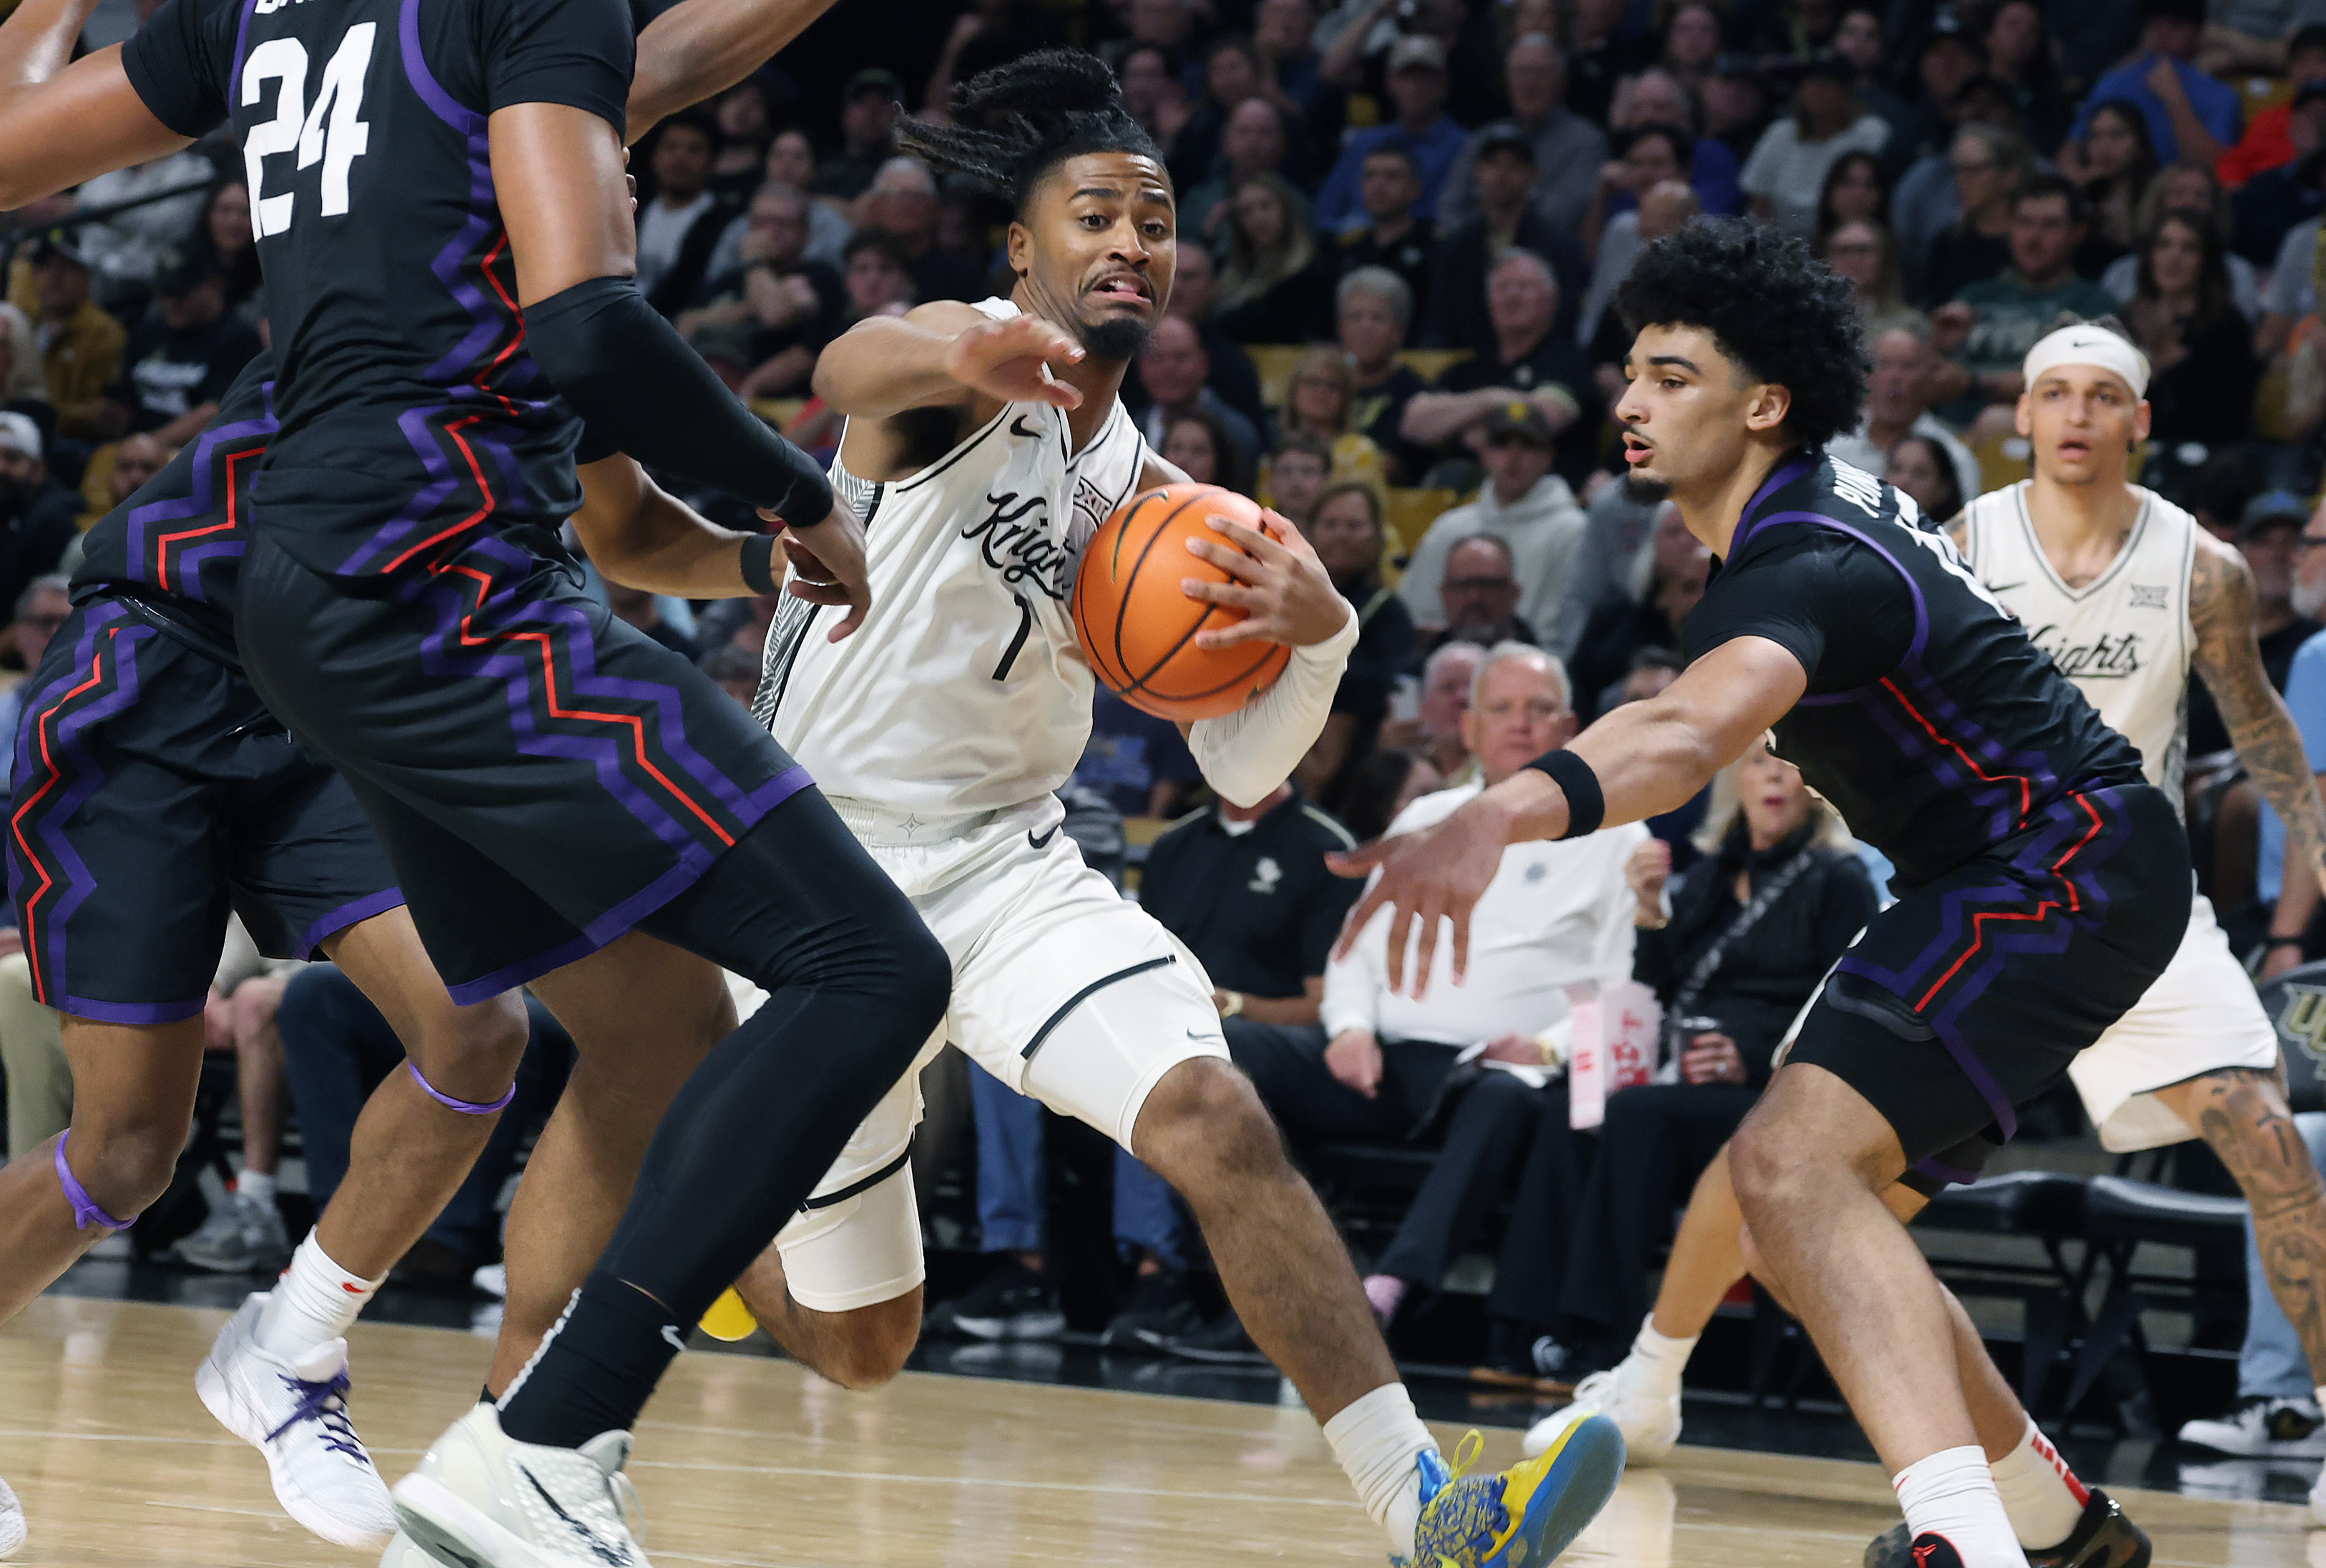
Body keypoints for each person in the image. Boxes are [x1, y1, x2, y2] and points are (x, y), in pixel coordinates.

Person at [0, 6, 977, 1568]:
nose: (622, 171)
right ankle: (540, 1446)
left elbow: (627, 506)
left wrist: (761, 555)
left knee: (582, 1025)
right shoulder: (497, 108)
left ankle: (415, 1392)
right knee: (128, 1145)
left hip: (333, 637)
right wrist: (797, 486)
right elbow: (607, 259)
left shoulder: (347, 60)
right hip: (311, 619)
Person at [747, 50, 1618, 1568]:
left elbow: (1234, 771)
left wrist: (1324, 623)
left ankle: (1433, 1514)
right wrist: (965, 353)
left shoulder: (1161, 497)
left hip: (1014, 871)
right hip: (819, 884)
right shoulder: (957, 365)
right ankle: (699, 1202)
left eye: (1155, 220)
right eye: (1095, 214)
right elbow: (845, 370)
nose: (1133, 241)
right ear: (1024, 247)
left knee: (1215, 1114)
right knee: (868, 1343)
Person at [1335, 226, 2192, 1568]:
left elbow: (1685, 739)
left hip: (2054, 857)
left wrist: (1496, 812)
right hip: (2030, 868)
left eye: (1670, 376)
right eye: (1628, 373)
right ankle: (2055, 1524)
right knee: (1811, 1216)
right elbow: (1668, 715)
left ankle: (1957, 1544)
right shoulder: (1797, 527)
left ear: (1763, 403)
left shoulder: (1802, 558)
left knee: (1791, 1166)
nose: (1628, 400)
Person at [1565, 318, 2326, 1567]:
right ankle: (1664, 1379)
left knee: (2263, 1134)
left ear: (2137, 420)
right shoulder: (1952, 537)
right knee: (1809, 1191)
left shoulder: (2203, 565)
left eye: (2100, 396)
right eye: (2050, 393)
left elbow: (2257, 730)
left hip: (2116, 870)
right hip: (1967, 888)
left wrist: (2303, 887)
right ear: (2017, 415)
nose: (2074, 415)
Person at [1246, 645, 1643, 1364]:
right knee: (1228, 1053)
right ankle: (1283, 1265)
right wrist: (1351, 1029)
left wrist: (1550, 1048)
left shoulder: (1618, 835)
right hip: (1382, 1060)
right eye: (1502, 708)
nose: (1520, 725)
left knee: (1506, 1096)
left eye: (1539, 709)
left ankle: (1391, 1286)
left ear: (1573, 725)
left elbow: (1626, 990)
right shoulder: (1429, 813)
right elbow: (1353, 950)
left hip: (1493, 1074)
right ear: (1469, 726)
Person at [1492, 750, 1873, 1376]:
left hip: (1773, 1091)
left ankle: (1600, 1342)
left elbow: (1841, 1008)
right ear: (1737, 781)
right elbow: (1658, 992)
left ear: (1817, 786)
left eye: (1790, 765)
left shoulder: (1841, 880)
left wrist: (1751, 1059)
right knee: (1570, 1102)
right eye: (1758, 763)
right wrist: (1648, 911)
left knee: (1640, 1114)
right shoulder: (1710, 873)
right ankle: (1519, 1329)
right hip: (1682, 1072)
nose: (1775, 776)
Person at [1928, 174, 2119, 416]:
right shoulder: (1974, 296)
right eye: (2024, 223)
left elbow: (2071, 384)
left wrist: (1974, 383)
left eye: (2050, 225)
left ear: (2078, 233)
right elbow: (1924, 377)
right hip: (1947, 434)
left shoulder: (2093, 304)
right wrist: (1937, 346)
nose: (2033, 237)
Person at [1407, 250, 1600, 488]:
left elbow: (1542, 420)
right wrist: (1491, 400)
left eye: (1524, 287)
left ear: (1550, 299)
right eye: (1502, 288)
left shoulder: (1568, 363)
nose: (1512, 297)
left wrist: (1458, 426)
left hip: (1542, 501)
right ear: (1488, 302)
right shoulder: (1469, 367)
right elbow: (1414, 423)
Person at [1400, 401, 1586, 644]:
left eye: (1527, 445)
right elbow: (1418, 615)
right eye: (1502, 444)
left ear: (1548, 457)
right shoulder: (1450, 528)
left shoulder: (1573, 531)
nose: (1513, 457)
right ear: (1484, 454)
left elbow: (1562, 630)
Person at [1420, 130, 1584, 362]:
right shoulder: (1456, 247)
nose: (1502, 175)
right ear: (1478, 171)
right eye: (1493, 164)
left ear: (1533, 175)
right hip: (1468, 367)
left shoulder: (1559, 247)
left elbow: (1564, 319)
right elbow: (1439, 319)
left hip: (1537, 363)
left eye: (1514, 165)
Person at [1436, 36, 1608, 240]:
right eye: (1520, 73)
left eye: (1540, 73)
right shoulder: (1485, 137)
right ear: (1507, 82)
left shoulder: (1586, 141)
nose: (1529, 83)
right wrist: (1477, 246)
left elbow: (1560, 217)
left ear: (1562, 82)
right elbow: (1449, 207)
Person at [2123, 207, 2261, 446]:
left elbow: (2228, 421)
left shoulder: (2228, 328)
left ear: (2207, 260)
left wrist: (2172, 359)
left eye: (2189, 248)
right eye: (2163, 245)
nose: (2173, 257)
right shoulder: (2130, 318)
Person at [1312, 36, 1470, 234]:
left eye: (1426, 77)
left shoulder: (1464, 148)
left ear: (1444, 84)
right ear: (1389, 82)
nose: (1415, 86)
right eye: (1406, 76)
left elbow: (1457, 221)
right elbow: (1326, 214)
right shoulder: (1363, 143)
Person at [107, 258, 264, 447]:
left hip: (196, 453)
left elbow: (214, 412)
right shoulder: (148, 333)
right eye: (165, 294)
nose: (172, 303)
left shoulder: (239, 339)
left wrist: (148, 446)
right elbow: (122, 400)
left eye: (182, 294)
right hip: (133, 448)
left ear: (213, 286)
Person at [2066, 0, 2239, 170]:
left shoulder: (2221, 95)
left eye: (2175, 25)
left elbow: (2213, 166)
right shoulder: (2116, 80)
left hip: (2180, 191)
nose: (2162, 34)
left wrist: (2175, 98)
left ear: (2197, 31)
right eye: (2154, 25)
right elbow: (2073, 147)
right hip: (2118, 187)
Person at [1739, 54, 1889, 240]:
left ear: (1847, 90)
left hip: (1848, 240)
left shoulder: (1872, 133)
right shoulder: (1779, 133)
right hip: (1785, 247)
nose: (1818, 90)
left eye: (1827, 83)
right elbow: (1759, 203)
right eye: (1811, 82)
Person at [1826, 328, 1981, 506]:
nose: (1895, 378)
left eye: (1907, 366)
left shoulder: (1955, 459)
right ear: (1866, 377)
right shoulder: (1832, 452)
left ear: (1927, 378)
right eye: (1884, 365)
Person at [1919, 123, 2036, 309]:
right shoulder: (1947, 244)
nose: (1960, 180)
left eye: (1973, 170)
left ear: (2010, 175)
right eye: (1958, 170)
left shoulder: (2033, 242)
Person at [21, 232, 123, 442]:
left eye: (66, 268)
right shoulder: (25, 324)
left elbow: (101, 414)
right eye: (44, 267)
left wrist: (36, 412)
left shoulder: (104, 332)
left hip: (73, 446)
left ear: (86, 273)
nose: (53, 278)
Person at [1213, 172, 1334, 344]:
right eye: (1247, 211)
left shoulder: (1310, 270)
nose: (1258, 218)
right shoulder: (1232, 271)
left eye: (1266, 206)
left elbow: (1260, 321)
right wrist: (1207, 239)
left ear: (1285, 209)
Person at [1132, 314, 1262, 471]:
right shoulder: (1129, 432)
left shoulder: (1237, 434)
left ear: (1204, 364)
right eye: (1157, 358)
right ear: (1140, 367)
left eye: (1180, 358)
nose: (1168, 369)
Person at [636, 112, 737, 314]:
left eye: (694, 150)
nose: (679, 158)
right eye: (671, 147)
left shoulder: (722, 223)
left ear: (713, 162)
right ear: (654, 156)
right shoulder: (631, 208)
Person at [1333, 145, 1436, 326]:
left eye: (1392, 177)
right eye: (1370, 176)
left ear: (1415, 188)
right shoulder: (1347, 250)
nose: (1379, 185)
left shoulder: (1435, 248)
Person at [2069, 99, 2159, 275]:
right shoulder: (2080, 194)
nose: (2105, 147)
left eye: (2117, 135)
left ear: (2140, 141)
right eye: (2095, 136)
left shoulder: (2158, 193)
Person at [1280, 347, 1384, 489]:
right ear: (1293, 392)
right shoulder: (1275, 450)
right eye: (1313, 382)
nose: (1322, 391)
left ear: (1346, 398)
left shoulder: (1361, 452)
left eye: (1333, 386)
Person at [1883, 433, 1966, 525]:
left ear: (1942, 489)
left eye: (1919, 474)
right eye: (1896, 469)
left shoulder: (1952, 537)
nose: (1904, 481)